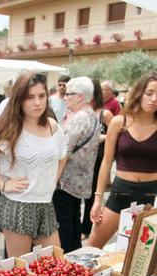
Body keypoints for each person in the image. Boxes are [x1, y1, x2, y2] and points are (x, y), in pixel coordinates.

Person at [0, 72, 67, 256]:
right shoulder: (10, 129)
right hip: (18, 206)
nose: (37, 102)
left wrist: (53, 181)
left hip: (46, 206)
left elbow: (63, 155)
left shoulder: (53, 126)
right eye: (30, 97)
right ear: (19, 99)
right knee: (19, 273)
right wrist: (2, 184)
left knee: (55, 267)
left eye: (42, 96)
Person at [89, 72, 157, 249]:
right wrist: (97, 199)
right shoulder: (119, 122)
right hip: (121, 192)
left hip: (152, 193)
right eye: (149, 93)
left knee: (142, 253)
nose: (154, 99)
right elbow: (106, 163)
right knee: (93, 245)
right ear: (139, 93)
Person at [55, 76, 99, 253]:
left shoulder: (79, 118)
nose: (65, 97)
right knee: (73, 221)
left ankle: (65, 259)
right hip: (80, 181)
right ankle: (75, 255)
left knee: (64, 224)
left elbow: (62, 150)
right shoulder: (93, 116)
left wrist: (53, 179)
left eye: (69, 94)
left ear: (80, 96)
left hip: (66, 181)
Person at [81, 77, 114, 239]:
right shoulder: (80, 112)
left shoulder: (105, 114)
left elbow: (117, 132)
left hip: (97, 159)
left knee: (91, 195)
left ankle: (86, 228)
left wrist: (102, 137)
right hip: (80, 161)